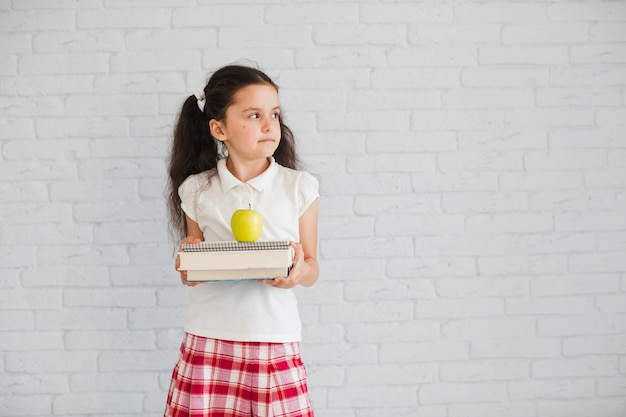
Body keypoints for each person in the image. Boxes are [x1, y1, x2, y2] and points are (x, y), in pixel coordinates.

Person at [164, 64, 319, 417]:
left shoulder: (299, 187)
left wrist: (297, 272)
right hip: (210, 335)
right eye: (254, 115)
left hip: (273, 337)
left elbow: (311, 266)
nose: (269, 125)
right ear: (219, 128)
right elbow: (193, 269)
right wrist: (188, 264)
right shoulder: (197, 190)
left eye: (274, 115)